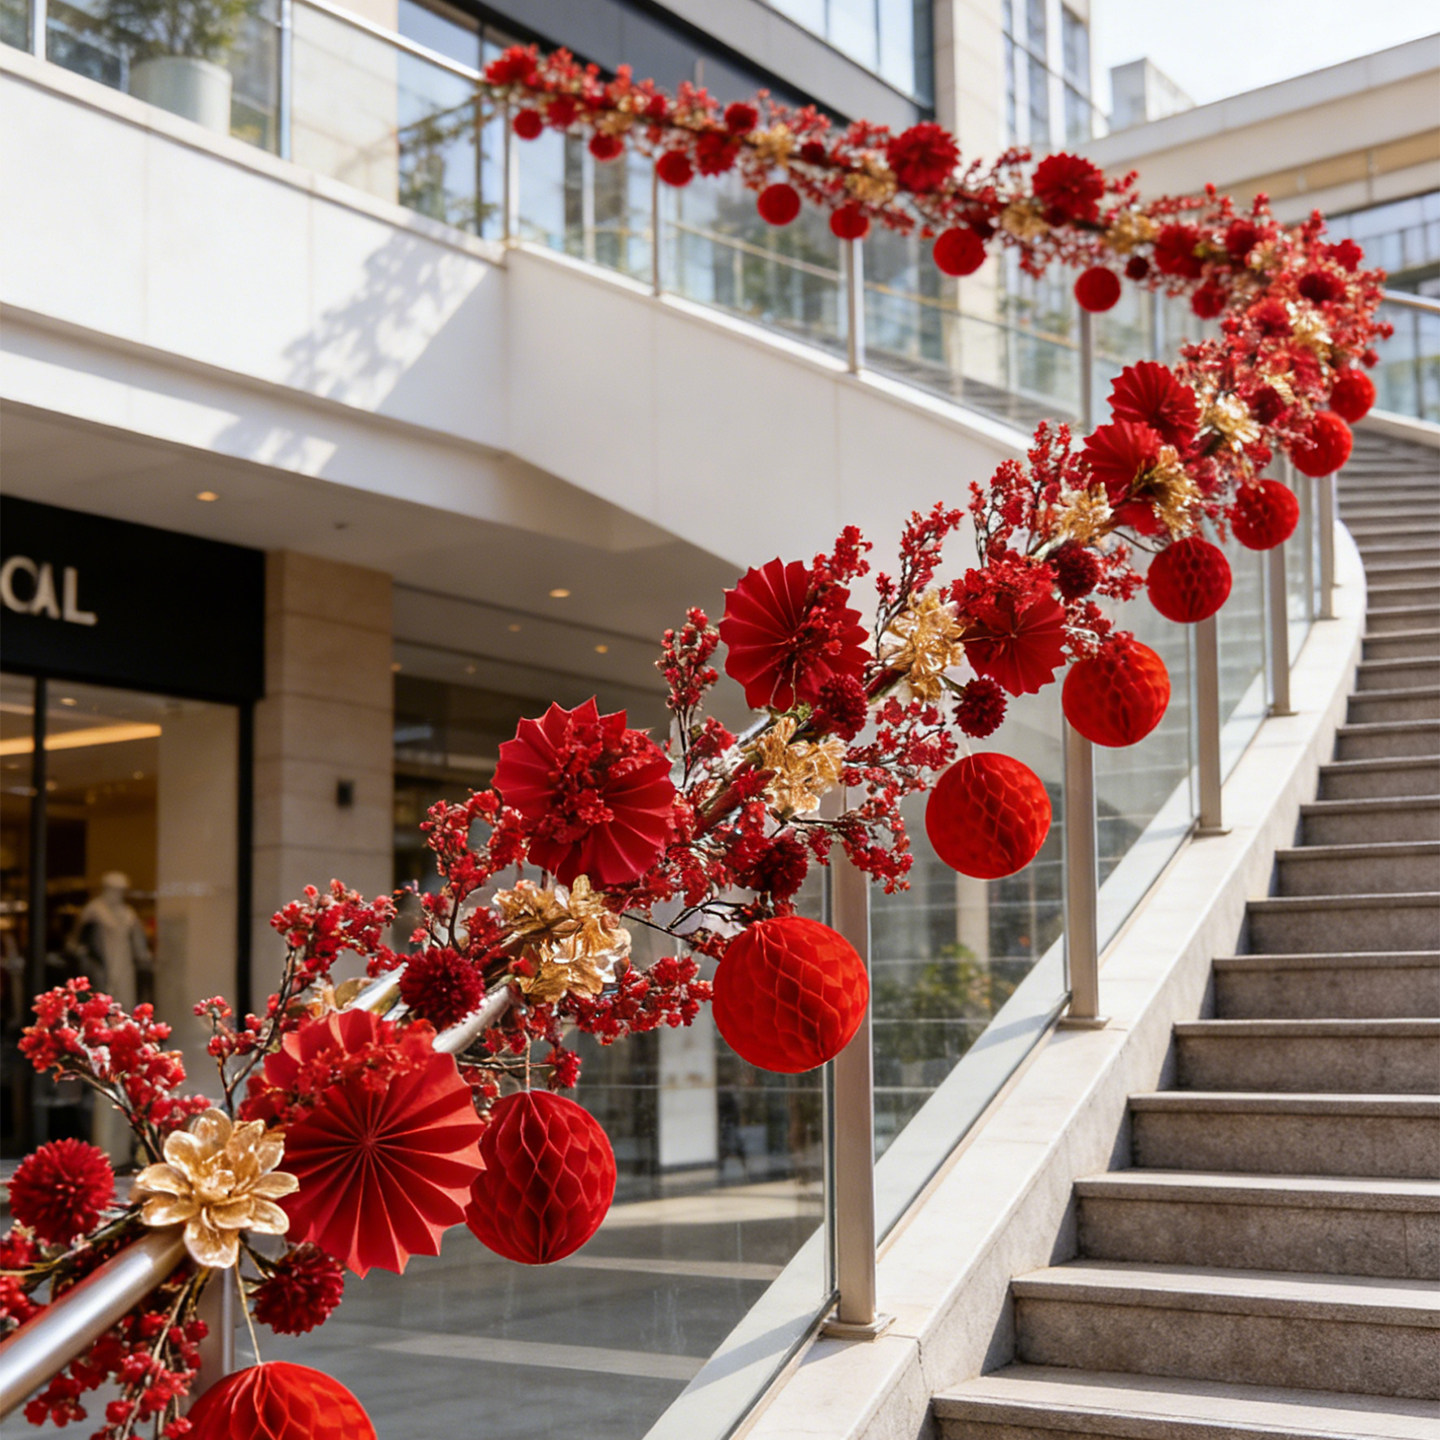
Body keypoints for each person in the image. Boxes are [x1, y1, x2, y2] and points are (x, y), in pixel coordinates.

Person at [71, 872, 151, 1162]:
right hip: (103, 982)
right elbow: (79, 948)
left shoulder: (127, 914)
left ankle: (121, 1148)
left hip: (124, 978)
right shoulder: (95, 912)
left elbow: (140, 951)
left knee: (122, 1059)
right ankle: (102, 1147)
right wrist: (95, 978)